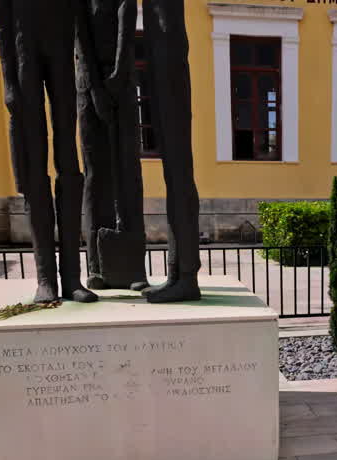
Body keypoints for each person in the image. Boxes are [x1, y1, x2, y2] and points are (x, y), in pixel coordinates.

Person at [0, 0, 96, 303]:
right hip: (26, 62)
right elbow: (1, 22)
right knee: (35, 173)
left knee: (70, 168)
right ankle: (46, 279)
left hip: (62, 63)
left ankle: (73, 278)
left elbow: (81, 25)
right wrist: (9, 81)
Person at [77, 0, 150, 291]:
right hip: (88, 85)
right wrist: (96, 89)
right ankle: (96, 267)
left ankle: (134, 269)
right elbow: (81, 41)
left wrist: (120, 76)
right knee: (96, 178)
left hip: (124, 85)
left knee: (129, 172)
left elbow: (127, 26)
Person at [141, 0, 202, 303]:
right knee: (175, 184)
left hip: (171, 80)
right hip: (163, 75)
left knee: (180, 184)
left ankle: (187, 276)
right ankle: (177, 274)